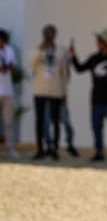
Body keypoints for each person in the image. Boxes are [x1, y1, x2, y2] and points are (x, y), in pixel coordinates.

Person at [70, 28, 107, 162]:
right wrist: (73, 56)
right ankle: (99, 152)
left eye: (100, 40)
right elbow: (80, 68)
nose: (98, 43)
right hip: (96, 100)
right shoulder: (94, 58)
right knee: (97, 128)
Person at [30, 25, 69, 160]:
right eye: (45, 33)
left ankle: (54, 149)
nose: (47, 35)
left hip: (56, 90)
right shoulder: (38, 50)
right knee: (39, 120)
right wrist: (41, 49)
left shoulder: (60, 52)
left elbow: (64, 74)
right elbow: (31, 63)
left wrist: (64, 92)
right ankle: (40, 148)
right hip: (40, 90)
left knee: (55, 120)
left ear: (55, 34)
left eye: (49, 33)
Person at [0, 30, 20, 159]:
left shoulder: (10, 50)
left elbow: (14, 69)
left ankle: (10, 147)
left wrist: (11, 67)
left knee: (9, 122)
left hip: (8, 91)